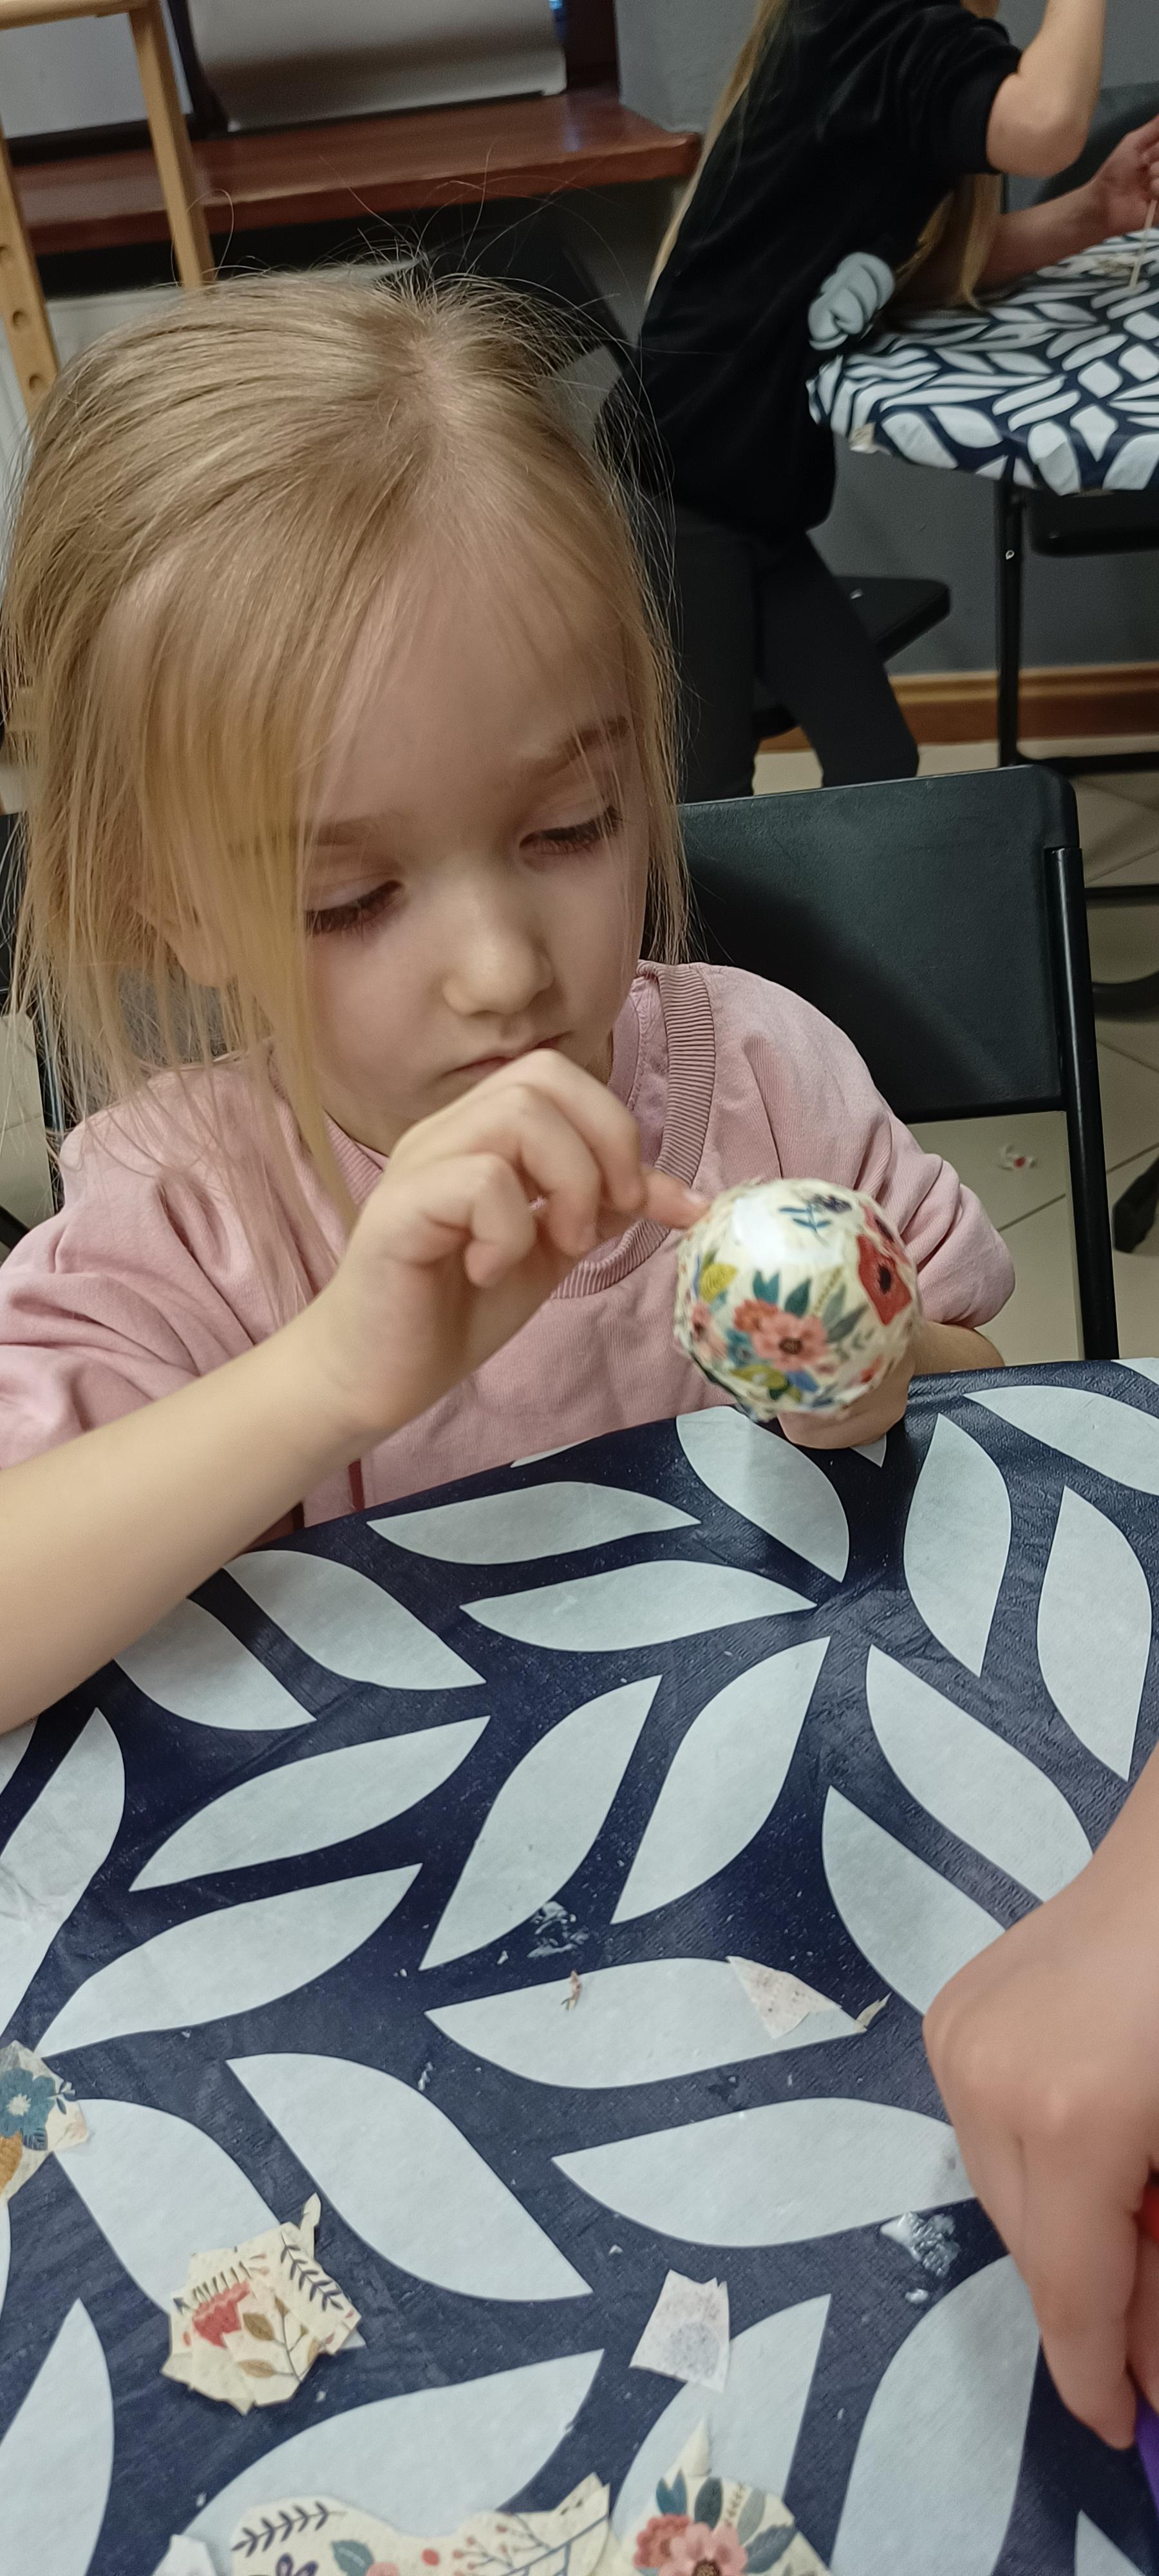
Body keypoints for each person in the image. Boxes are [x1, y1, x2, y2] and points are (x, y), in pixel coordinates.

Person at [0, 268, 1008, 1712]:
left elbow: (986, 1380)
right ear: (172, 904)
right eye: (348, 898)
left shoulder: (767, 1081)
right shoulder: (180, 1220)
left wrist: (878, 1366)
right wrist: (324, 1382)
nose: (503, 970)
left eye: (573, 827)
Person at [607, 0, 1159, 796]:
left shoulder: (904, 43)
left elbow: (913, 273)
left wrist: (1093, 212)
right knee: (709, 789)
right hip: (678, 481)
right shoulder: (867, 21)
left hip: (751, 489)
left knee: (878, 761)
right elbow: (1045, 125)